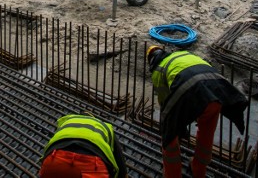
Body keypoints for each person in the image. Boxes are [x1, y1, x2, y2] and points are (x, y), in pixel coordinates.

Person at [147, 46, 247, 178]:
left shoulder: (158, 70)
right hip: (217, 92)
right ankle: (199, 169)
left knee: (169, 136)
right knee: (206, 132)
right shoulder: (184, 54)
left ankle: (172, 175)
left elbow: (165, 103)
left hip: (192, 89)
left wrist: (176, 124)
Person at [39, 114, 127, 178]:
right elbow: (121, 168)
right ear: (93, 119)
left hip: (55, 159)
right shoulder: (105, 127)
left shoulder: (67, 122)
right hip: (92, 164)